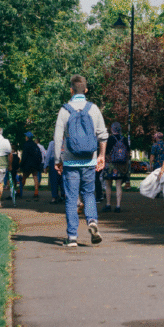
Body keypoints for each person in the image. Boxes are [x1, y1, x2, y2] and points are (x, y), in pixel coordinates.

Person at [53, 74, 108, 247]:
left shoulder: (64, 110)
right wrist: (101, 155)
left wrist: (58, 160)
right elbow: (103, 135)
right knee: (89, 193)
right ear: (86, 90)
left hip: (70, 162)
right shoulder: (94, 109)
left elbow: (58, 138)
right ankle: (92, 221)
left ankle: (72, 237)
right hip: (89, 160)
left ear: (71, 90)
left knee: (71, 198)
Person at [103, 122, 130, 213]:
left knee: (108, 185)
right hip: (120, 165)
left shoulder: (110, 139)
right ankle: (118, 206)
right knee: (118, 185)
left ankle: (108, 204)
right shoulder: (124, 139)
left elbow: (106, 152)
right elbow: (128, 153)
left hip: (110, 165)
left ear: (112, 129)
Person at [20, 131, 43, 200]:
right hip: (35, 165)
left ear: (27, 137)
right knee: (35, 177)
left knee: (24, 177)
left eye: (26, 136)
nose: (25, 137)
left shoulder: (26, 145)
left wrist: (21, 164)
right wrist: (38, 163)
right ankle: (36, 192)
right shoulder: (35, 145)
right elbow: (39, 155)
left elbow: (24, 156)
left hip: (27, 164)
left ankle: (19, 191)